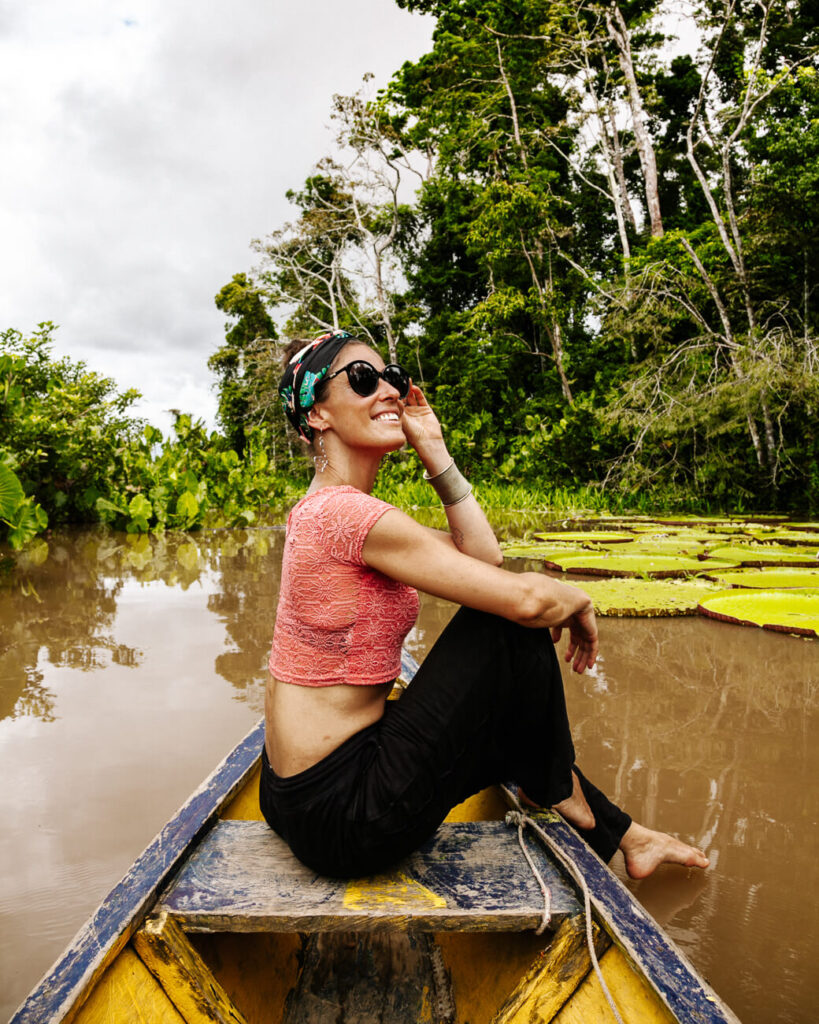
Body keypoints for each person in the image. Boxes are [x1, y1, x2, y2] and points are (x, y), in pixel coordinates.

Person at [261, 329, 709, 881]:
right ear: (317, 415)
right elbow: (521, 600)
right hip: (344, 816)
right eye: (361, 378)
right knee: (508, 629)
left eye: (392, 378)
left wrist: (436, 451)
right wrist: (575, 597)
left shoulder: (332, 512)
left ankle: (617, 829)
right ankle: (558, 790)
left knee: (504, 707)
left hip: (289, 796)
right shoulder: (345, 516)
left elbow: (482, 555)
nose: (388, 391)